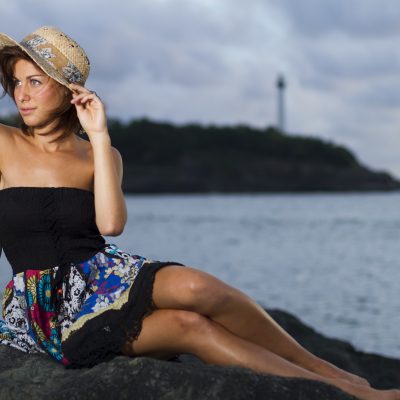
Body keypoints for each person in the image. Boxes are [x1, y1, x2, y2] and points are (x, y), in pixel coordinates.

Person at [0, 27, 397, 400]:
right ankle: (348, 394)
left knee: (199, 289)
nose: (22, 94)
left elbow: (111, 225)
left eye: (35, 81)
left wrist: (101, 136)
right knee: (189, 326)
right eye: (16, 82)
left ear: (70, 92)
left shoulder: (100, 154)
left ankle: (331, 373)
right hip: (48, 310)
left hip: (104, 276)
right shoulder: (4, 142)